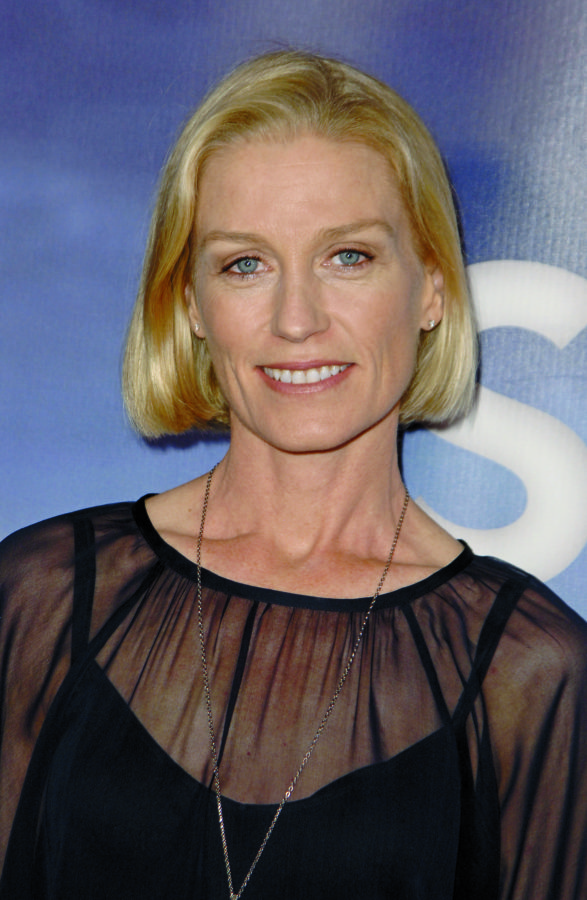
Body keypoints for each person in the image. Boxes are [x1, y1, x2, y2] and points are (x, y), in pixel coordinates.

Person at [1, 50, 586, 900]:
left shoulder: (531, 671)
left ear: (430, 287)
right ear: (191, 304)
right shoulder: (43, 597)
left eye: (347, 256)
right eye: (245, 264)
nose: (296, 319)